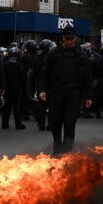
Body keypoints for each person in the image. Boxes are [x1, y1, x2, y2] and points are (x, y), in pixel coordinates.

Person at [38, 25, 93, 155]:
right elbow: (44, 73)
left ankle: (67, 153)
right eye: (67, 39)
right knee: (55, 122)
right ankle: (57, 149)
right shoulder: (54, 53)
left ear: (75, 39)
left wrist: (89, 96)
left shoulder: (81, 55)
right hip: (55, 92)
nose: (70, 41)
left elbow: (88, 77)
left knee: (70, 123)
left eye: (72, 39)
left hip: (73, 94)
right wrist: (41, 90)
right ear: (63, 38)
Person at [2, 47, 27, 130]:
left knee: (6, 106)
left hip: (7, 89)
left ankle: (4, 124)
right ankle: (18, 124)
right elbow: (24, 79)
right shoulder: (20, 67)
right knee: (17, 106)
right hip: (17, 89)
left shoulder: (5, 65)